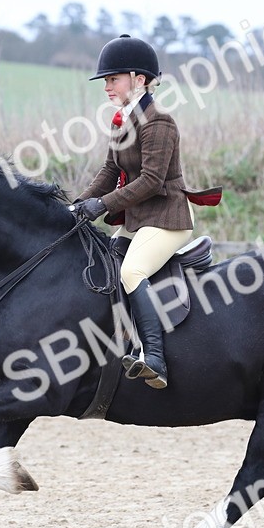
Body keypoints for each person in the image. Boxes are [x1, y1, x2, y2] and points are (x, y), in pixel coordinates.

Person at [70, 34, 221, 390]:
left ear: (139, 79)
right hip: (139, 221)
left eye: (113, 79)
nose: (107, 87)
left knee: (132, 270)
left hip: (168, 219)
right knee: (102, 265)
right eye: (106, 80)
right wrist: (78, 206)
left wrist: (102, 205)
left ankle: (154, 357)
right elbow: (109, 173)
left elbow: (152, 181)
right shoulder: (121, 121)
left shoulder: (159, 122)